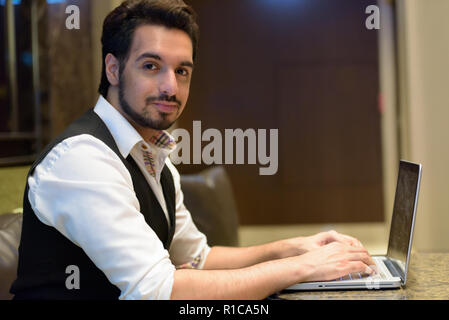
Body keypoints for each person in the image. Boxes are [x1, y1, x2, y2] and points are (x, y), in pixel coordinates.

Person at [10, 0, 375, 300]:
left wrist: (293, 248)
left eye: (182, 71)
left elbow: (198, 258)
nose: (170, 87)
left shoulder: (155, 158)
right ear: (113, 68)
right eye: (151, 65)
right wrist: (304, 268)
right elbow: (158, 289)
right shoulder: (82, 158)